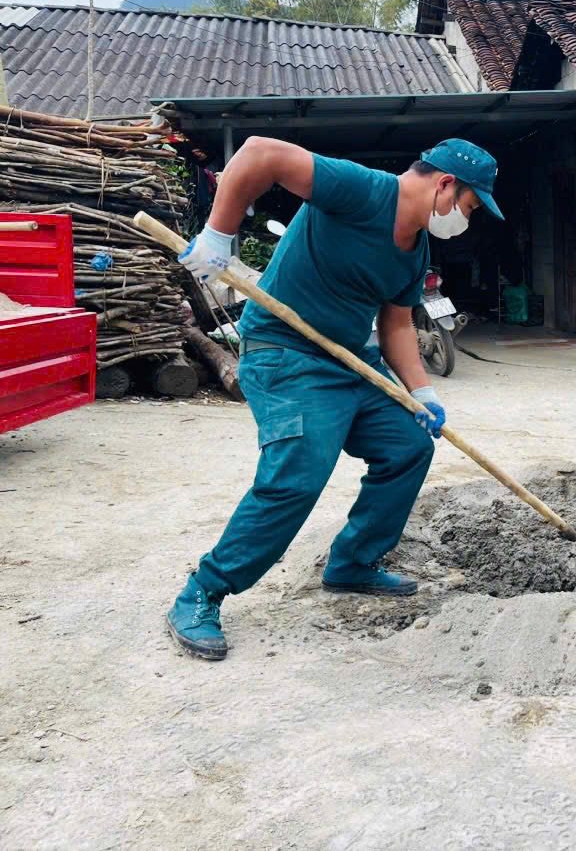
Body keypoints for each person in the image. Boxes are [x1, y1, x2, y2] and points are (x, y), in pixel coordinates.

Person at [166, 137, 504, 661]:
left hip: (349, 359)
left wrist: (422, 393)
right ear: (444, 184)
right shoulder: (361, 189)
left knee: (407, 446)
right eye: (469, 205)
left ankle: (352, 562)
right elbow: (260, 153)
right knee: (302, 464)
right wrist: (217, 236)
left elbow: (395, 326)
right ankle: (203, 591)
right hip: (284, 350)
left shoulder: (416, 251)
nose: (466, 218)